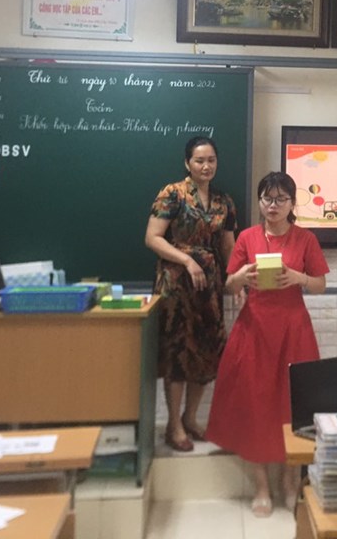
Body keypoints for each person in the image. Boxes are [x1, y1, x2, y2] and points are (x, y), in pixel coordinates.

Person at [205, 171, 329, 517]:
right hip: (254, 329)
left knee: (295, 404)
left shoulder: (305, 239)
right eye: (267, 199)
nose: (273, 206)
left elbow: (320, 284)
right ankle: (261, 486)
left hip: (293, 328)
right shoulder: (247, 237)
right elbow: (229, 285)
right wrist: (240, 277)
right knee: (254, 404)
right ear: (260, 201)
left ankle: (290, 480)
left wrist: (300, 278)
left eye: (280, 199)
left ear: (292, 203)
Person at [144, 135, 237, 453]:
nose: (206, 166)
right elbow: (153, 238)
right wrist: (187, 260)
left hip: (209, 286)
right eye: (199, 160)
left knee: (207, 351)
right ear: (187, 163)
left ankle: (191, 418)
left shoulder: (224, 200)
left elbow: (228, 246)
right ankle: (174, 426)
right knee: (178, 354)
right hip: (176, 285)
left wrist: (237, 280)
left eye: (211, 160)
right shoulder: (172, 193)